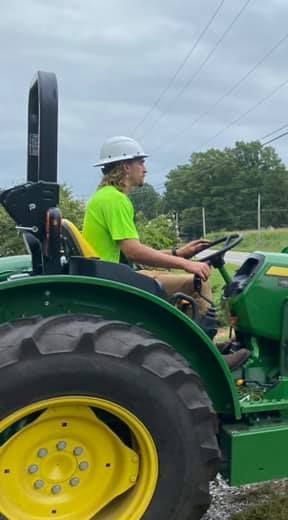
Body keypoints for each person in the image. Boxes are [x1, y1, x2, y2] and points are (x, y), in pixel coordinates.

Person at [82, 136, 250, 369]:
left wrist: (179, 253)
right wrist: (186, 264)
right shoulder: (115, 200)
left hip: (112, 272)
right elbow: (134, 252)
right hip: (114, 279)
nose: (145, 169)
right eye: (140, 162)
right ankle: (203, 358)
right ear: (126, 167)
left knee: (188, 282)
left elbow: (128, 250)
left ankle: (200, 347)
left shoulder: (105, 197)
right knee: (198, 282)